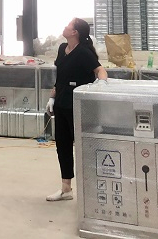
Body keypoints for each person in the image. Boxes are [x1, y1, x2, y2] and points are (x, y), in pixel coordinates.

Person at [45, 18, 108, 202]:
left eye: (68, 25)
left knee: (83, 147)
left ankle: (92, 191)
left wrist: (101, 85)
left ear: (75, 32)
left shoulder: (83, 52)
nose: (65, 27)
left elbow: (100, 70)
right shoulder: (62, 49)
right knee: (62, 146)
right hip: (61, 104)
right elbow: (61, 77)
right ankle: (66, 189)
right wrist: (52, 97)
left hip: (78, 106)